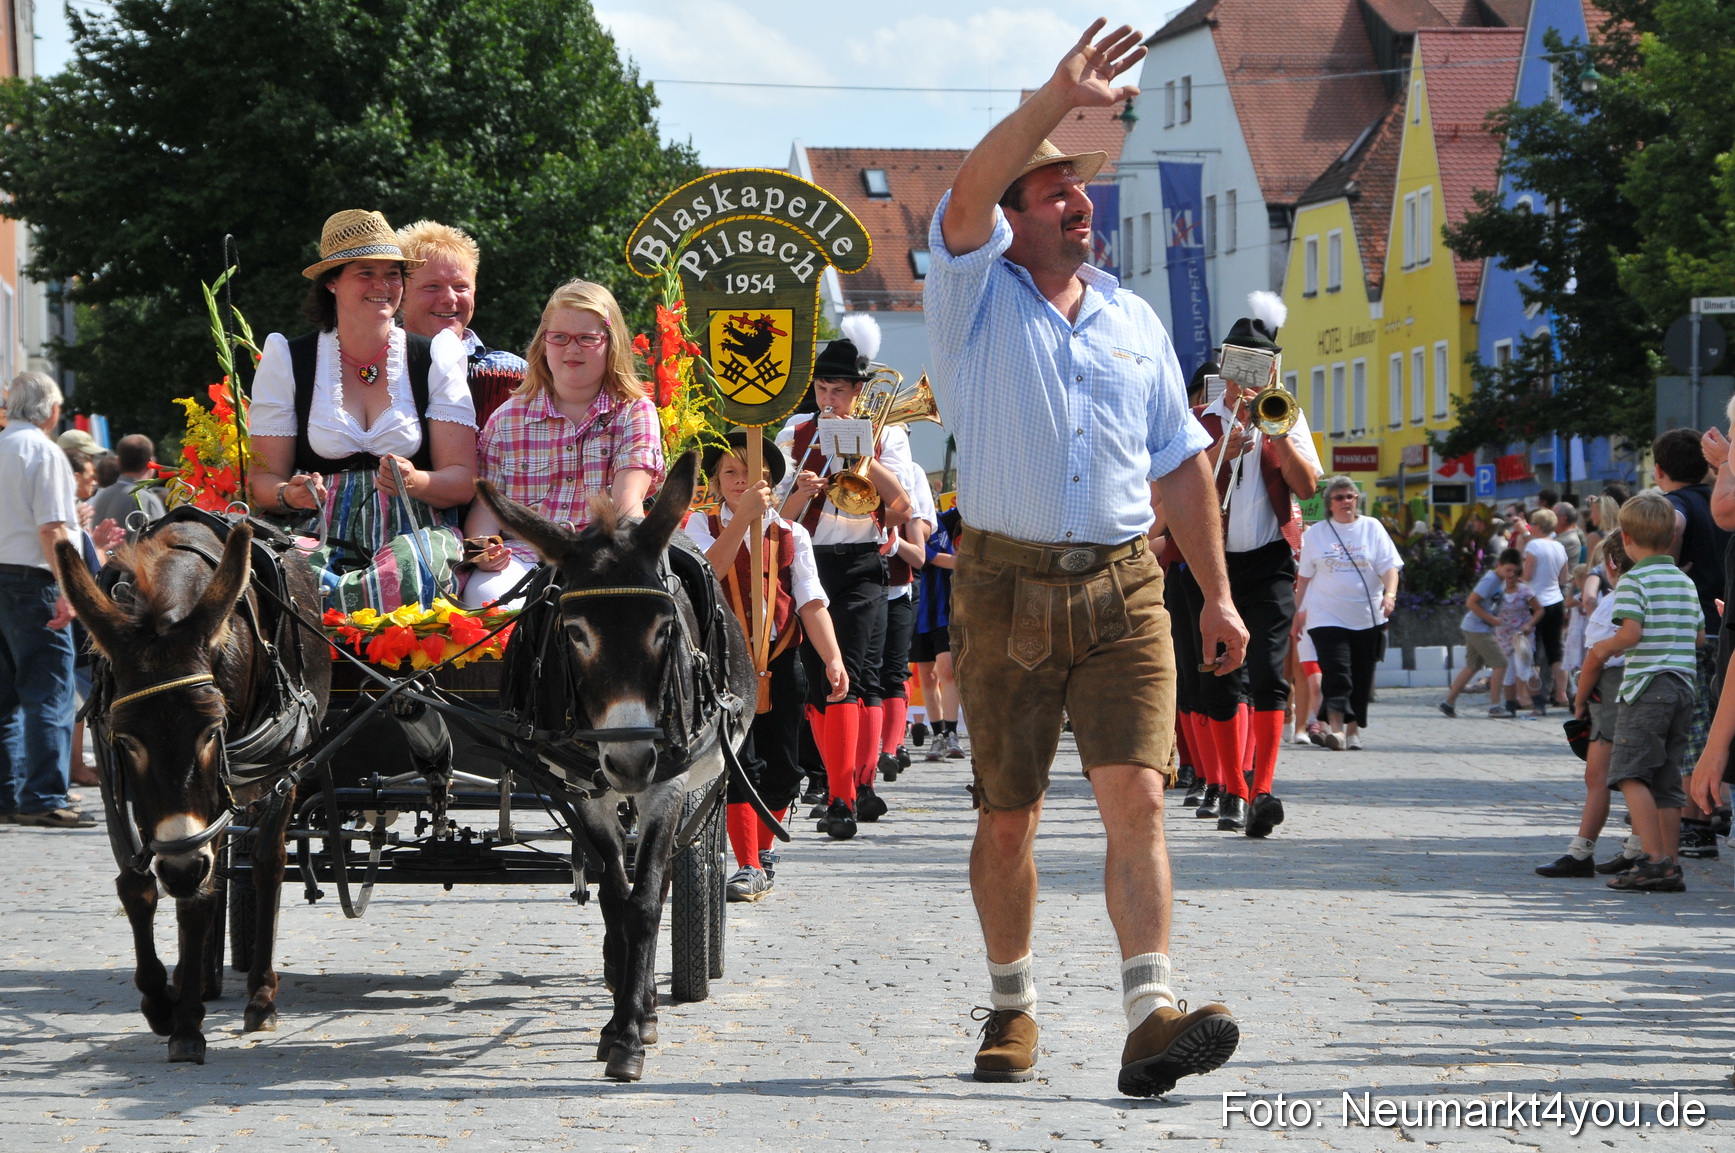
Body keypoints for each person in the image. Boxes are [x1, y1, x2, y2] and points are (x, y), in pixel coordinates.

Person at [924, 19, 1250, 1096]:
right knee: (1008, 813)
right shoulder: (969, 293)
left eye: (1082, 188)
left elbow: (1180, 462)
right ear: (1011, 216)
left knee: (1139, 799)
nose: (1081, 202)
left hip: (1124, 585)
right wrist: (1051, 100)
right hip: (1004, 583)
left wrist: (1217, 591)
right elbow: (963, 198)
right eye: (1054, 190)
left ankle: (1150, 1010)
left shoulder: (1133, 319)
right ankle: (1011, 1005)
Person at [249, 210, 479, 612]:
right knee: (289, 575)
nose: (383, 285)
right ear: (333, 282)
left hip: (414, 529)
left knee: (408, 573)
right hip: (315, 532)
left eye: (393, 274)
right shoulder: (289, 358)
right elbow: (264, 480)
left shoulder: (436, 357)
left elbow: (462, 480)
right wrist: (290, 494)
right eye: (366, 273)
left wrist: (418, 481)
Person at [1175, 300, 1320, 836]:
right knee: (1219, 678)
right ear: (1228, 368)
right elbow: (1190, 504)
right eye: (1242, 366)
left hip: (1270, 561)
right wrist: (1225, 454)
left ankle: (1263, 790)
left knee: (1267, 673)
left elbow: (1307, 487)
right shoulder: (1199, 423)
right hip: (1210, 567)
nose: (1251, 378)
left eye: (1262, 366)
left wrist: (1277, 437)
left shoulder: (1287, 414)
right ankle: (1231, 790)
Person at [684, 431, 847, 902]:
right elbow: (706, 572)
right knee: (741, 763)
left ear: (769, 480)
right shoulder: (701, 525)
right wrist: (742, 523)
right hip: (725, 664)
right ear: (716, 482)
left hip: (783, 658)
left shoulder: (791, 534)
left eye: (748, 472)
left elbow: (811, 602)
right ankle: (748, 863)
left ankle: (764, 852)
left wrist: (833, 658)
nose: (739, 481)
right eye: (728, 473)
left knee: (783, 769)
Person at [775, 336, 913, 837]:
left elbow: (902, 511)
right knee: (816, 680)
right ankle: (839, 782)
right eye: (822, 389)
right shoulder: (795, 433)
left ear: (858, 392)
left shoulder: (888, 436)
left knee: (849, 675)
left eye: (839, 390)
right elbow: (778, 519)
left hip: (859, 564)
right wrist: (802, 489)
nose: (829, 400)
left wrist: (860, 454)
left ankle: (843, 796)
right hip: (809, 565)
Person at [462, 279, 665, 608]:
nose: (572, 349)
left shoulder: (634, 411)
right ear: (544, 343)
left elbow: (629, 500)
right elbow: (486, 508)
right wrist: (484, 548)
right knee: (485, 596)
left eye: (587, 339)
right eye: (559, 338)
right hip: (525, 555)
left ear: (611, 343)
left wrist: (629, 560)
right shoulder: (507, 418)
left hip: (601, 554)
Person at [1574, 491, 1703, 893]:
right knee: (1666, 780)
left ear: (1625, 538)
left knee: (1629, 774)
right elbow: (1698, 637)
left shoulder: (1633, 581)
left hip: (1646, 687)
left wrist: (1602, 649)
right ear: (1671, 538)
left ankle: (1654, 860)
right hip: (1683, 686)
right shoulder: (1684, 580)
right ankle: (1671, 862)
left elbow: (1630, 633)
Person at [0, 372, 93, 828]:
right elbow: (53, 528)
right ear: (51, 411)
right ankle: (43, 795)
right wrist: (67, 590)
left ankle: (7, 792)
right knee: (49, 690)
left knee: (4, 697)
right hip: (33, 580)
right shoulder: (43, 451)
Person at [1649, 428, 1728, 860]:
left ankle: (1695, 824)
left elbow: (1672, 526)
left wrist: (1666, 565)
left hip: (1693, 632)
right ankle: (1715, 811)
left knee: (1693, 731)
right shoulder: (1721, 500)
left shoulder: (1675, 506)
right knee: (1718, 728)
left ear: (1659, 471)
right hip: (1724, 624)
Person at [1539, 534, 1637, 877]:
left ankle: (1582, 852)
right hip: (1649, 693)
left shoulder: (1614, 604)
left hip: (1609, 697)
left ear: (1611, 565)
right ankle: (1638, 845)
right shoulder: (1657, 592)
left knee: (1598, 776)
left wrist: (1578, 701)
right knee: (1641, 776)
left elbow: (1595, 659)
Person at [1294, 476, 1402, 750]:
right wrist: (1296, 613)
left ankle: (1354, 730)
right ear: (1329, 504)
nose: (1345, 502)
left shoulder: (1372, 528)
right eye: (1339, 498)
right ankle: (1336, 730)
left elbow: (1390, 567)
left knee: (1361, 675)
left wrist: (1390, 595)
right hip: (1326, 615)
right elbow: (1304, 578)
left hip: (1367, 615)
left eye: (1350, 497)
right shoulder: (1315, 535)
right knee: (1336, 671)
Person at [396, 220, 529, 430]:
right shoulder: (378, 367)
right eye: (432, 287)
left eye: (461, 287)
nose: (449, 298)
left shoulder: (516, 373)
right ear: (400, 295)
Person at [912, 505, 964, 761]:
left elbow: (966, 503)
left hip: (946, 611)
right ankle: (938, 734)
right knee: (927, 677)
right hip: (919, 611)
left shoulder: (944, 520)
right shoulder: (908, 528)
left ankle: (952, 732)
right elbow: (932, 559)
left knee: (948, 670)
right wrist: (968, 562)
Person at [1440, 552, 1512, 719]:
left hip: (1475, 626)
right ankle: (1495, 707)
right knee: (1501, 663)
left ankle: (1448, 703)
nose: (1511, 575)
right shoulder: (1491, 580)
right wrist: (1491, 620)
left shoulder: (1499, 580)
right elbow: (1471, 602)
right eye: (1508, 570)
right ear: (1499, 564)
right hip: (1478, 627)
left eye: (1514, 572)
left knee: (1473, 666)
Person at [1520, 507, 1569, 707]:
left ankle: (1535, 695)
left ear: (1538, 526)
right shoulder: (1559, 546)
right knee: (1556, 651)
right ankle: (1562, 694)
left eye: (1532, 524)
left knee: (1533, 650)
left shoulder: (1533, 547)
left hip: (1536, 602)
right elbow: (1564, 577)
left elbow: (1528, 576)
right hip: (1556, 601)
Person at [1491, 549, 1544, 716]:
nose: (1511, 578)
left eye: (1515, 575)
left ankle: (1538, 705)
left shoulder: (1524, 591)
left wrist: (1529, 624)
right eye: (1508, 575)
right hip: (1502, 636)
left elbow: (1539, 610)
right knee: (1508, 673)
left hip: (1521, 636)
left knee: (1525, 669)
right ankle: (1510, 706)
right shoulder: (1496, 592)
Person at [88, 433, 166, 535]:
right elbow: (160, 542)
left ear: (119, 462)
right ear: (151, 463)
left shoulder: (102, 495)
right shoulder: (145, 499)